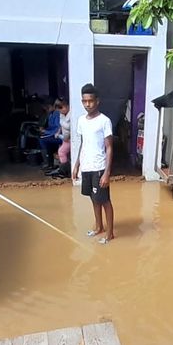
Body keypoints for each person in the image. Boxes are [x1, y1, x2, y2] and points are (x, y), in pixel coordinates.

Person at [72, 84, 115, 244]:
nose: (87, 104)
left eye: (90, 101)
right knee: (93, 198)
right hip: (86, 167)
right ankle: (99, 227)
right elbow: (83, 144)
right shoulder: (81, 121)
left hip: (99, 167)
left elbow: (109, 147)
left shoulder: (104, 121)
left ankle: (110, 234)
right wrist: (76, 165)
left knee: (104, 201)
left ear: (97, 101)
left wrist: (107, 173)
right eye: (84, 101)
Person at [46, 98, 72, 178]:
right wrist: (58, 131)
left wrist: (61, 135)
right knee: (62, 152)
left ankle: (64, 171)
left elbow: (69, 127)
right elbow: (61, 126)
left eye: (61, 108)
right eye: (59, 109)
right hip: (65, 137)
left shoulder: (72, 114)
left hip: (70, 139)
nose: (60, 110)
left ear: (67, 106)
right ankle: (63, 169)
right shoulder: (62, 114)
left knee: (61, 152)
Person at [38, 99, 62, 170]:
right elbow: (50, 127)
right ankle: (49, 163)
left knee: (43, 140)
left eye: (48, 107)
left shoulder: (57, 114)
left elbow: (57, 129)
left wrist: (45, 131)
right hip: (52, 134)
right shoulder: (51, 114)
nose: (46, 109)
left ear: (52, 106)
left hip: (59, 136)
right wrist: (43, 129)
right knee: (41, 138)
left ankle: (48, 163)